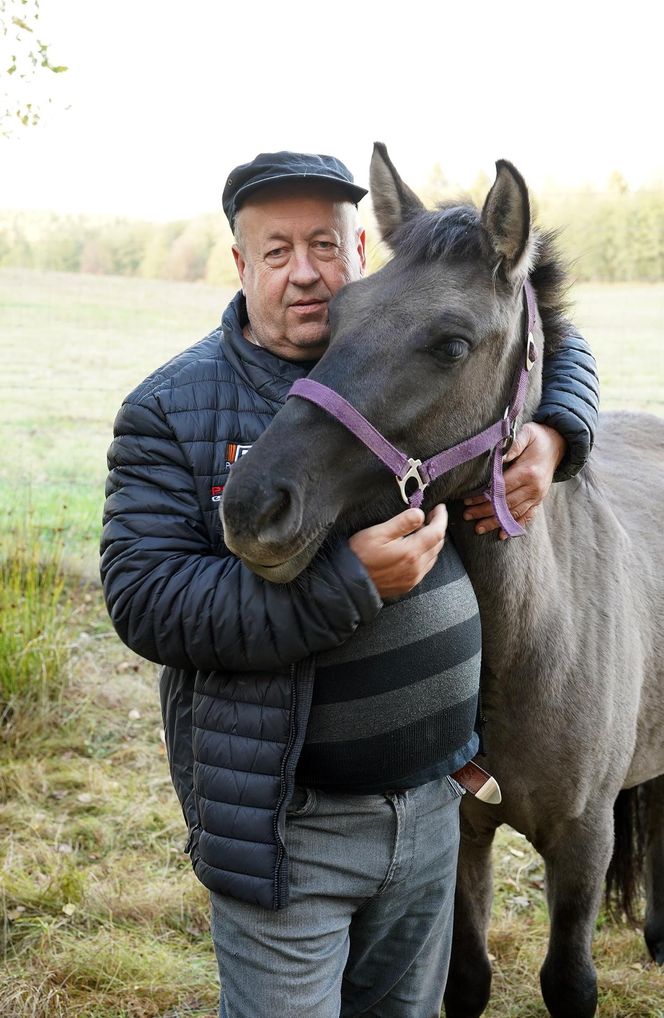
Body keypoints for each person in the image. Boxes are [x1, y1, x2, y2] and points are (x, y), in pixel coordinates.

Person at [101, 150, 599, 1017]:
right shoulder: (171, 408)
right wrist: (347, 583)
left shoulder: (381, 338)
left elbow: (524, 328)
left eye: (325, 246)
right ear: (241, 264)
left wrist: (557, 431)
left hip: (432, 812)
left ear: (361, 251)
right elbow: (147, 602)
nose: (305, 273)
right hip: (290, 827)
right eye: (277, 250)